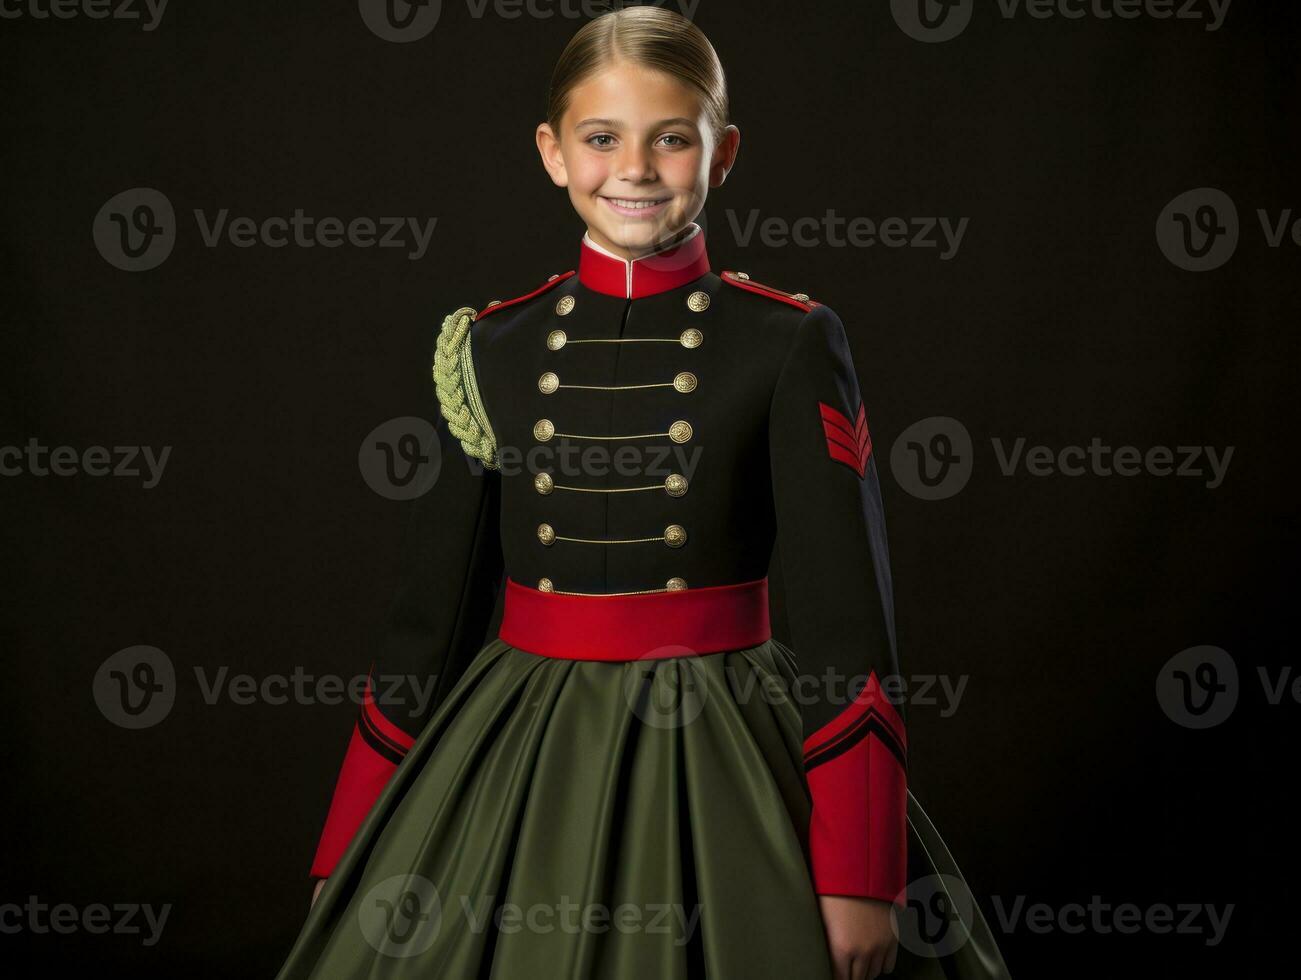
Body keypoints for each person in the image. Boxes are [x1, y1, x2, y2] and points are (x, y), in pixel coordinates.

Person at [276, 7, 1011, 979]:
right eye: (600, 138)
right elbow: (426, 622)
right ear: (550, 152)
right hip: (518, 741)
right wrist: (350, 844)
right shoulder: (491, 346)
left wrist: (858, 875)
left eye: (670, 138)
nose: (634, 167)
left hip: (723, 736)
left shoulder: (786, 341)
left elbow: (846, 622)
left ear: (722, 151)